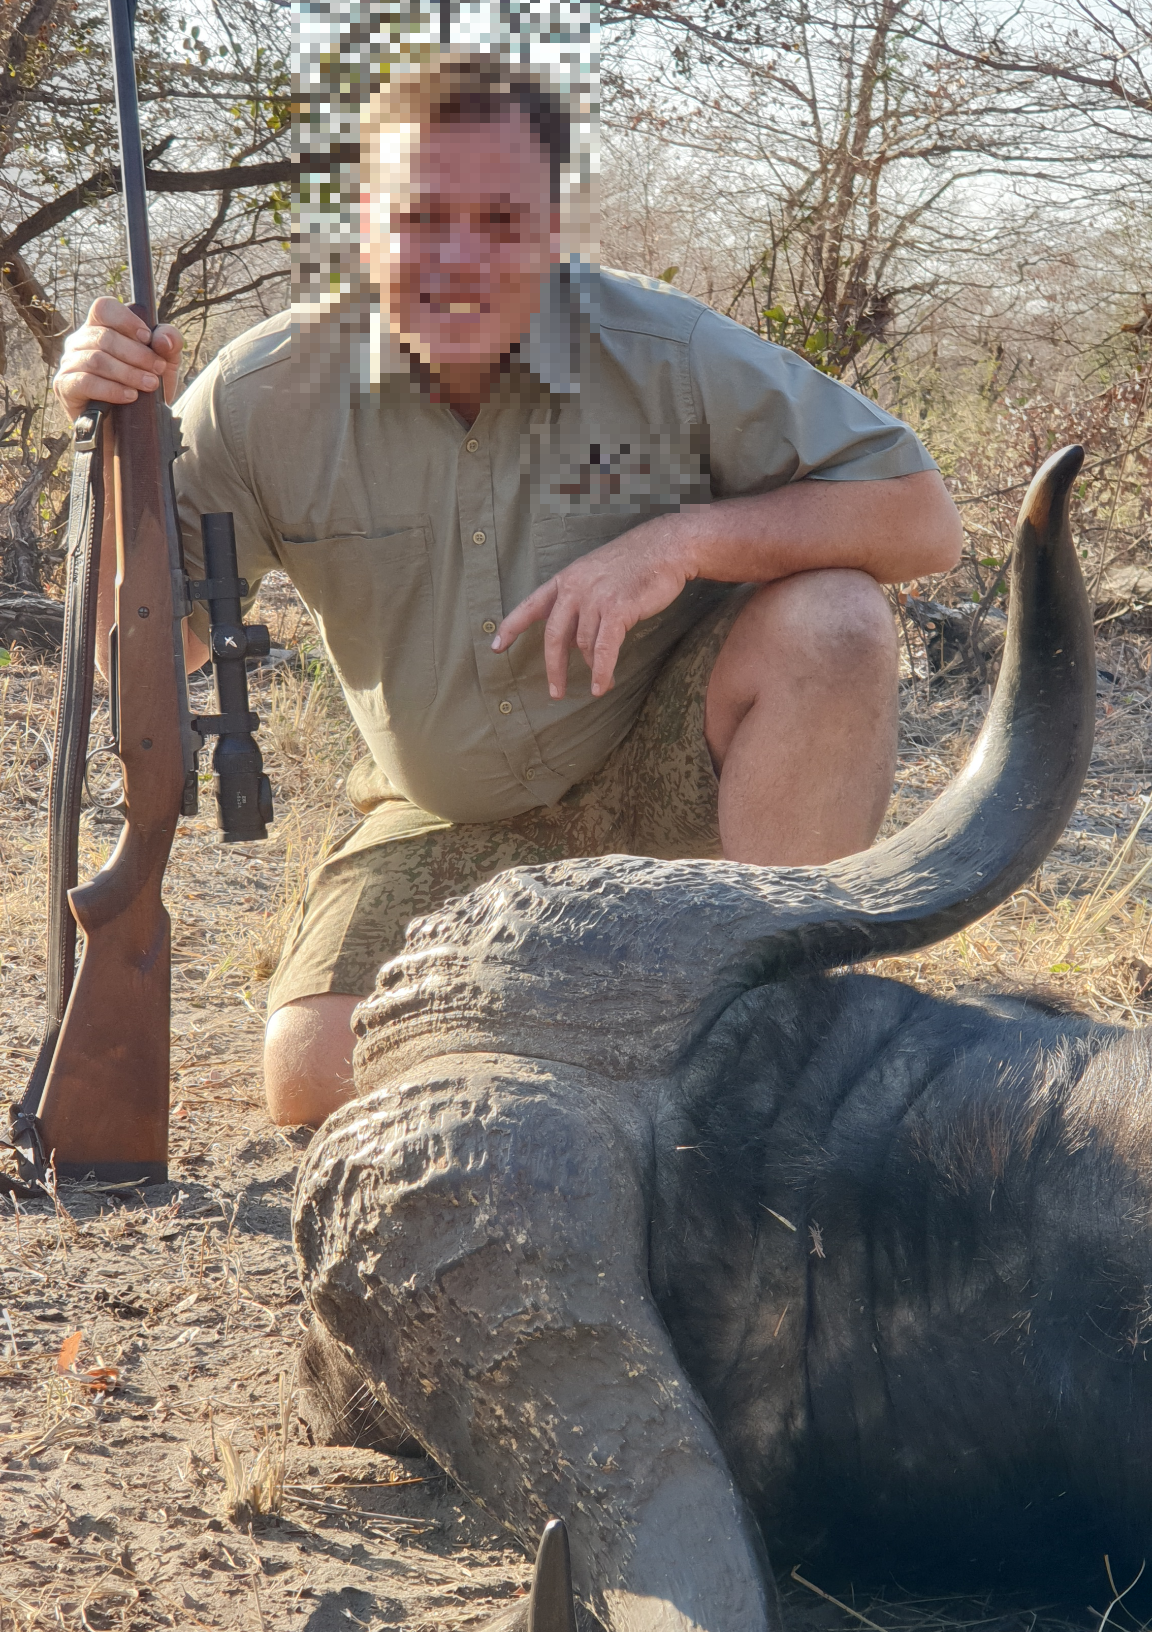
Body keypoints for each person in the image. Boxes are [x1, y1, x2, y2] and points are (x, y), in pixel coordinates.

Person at [55, 57, 963, 1131]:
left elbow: (921, 519)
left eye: (500, 219)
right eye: (421, 217)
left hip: (665, 783)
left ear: (554, 228)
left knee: (837, 623)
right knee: (310, 1078)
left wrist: (686, 538)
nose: (459, 259)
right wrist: (113, 445)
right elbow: (158, 650)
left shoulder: (662, 348)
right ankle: (657, 1049)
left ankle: (768, 1053)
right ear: (361, 223)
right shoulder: (261, 392)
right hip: (437, 812)